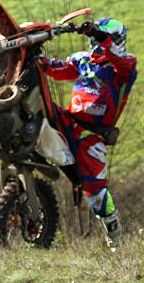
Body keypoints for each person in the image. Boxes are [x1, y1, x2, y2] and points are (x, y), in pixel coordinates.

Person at [42, 18, 137, 250]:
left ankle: (115, 235)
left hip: (92, 135)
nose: (95, 43)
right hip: (67, 120)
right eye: (94, 38)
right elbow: (55, 70)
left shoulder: (125, 67)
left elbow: (120, 62)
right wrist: (37, 57)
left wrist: (99, 35)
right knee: (38, 108)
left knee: (96, 194)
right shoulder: (82, 60)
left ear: (116, 41)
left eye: (100, 38)